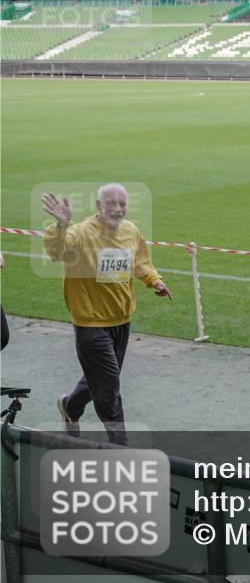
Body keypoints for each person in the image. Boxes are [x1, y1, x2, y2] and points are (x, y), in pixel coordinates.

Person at [42, 184, 171, 445]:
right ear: (99, 206)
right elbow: (56, 252)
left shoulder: (130, 231)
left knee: (102, 379)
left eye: (122, 204)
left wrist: (154, 280)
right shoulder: (80, 233)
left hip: (121, 320)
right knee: (109, 387)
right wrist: (61, 226)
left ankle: (71, 406)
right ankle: (120, 445)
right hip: (90, 323)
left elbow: (140, 262)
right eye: (111, 203)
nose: (118, 208)